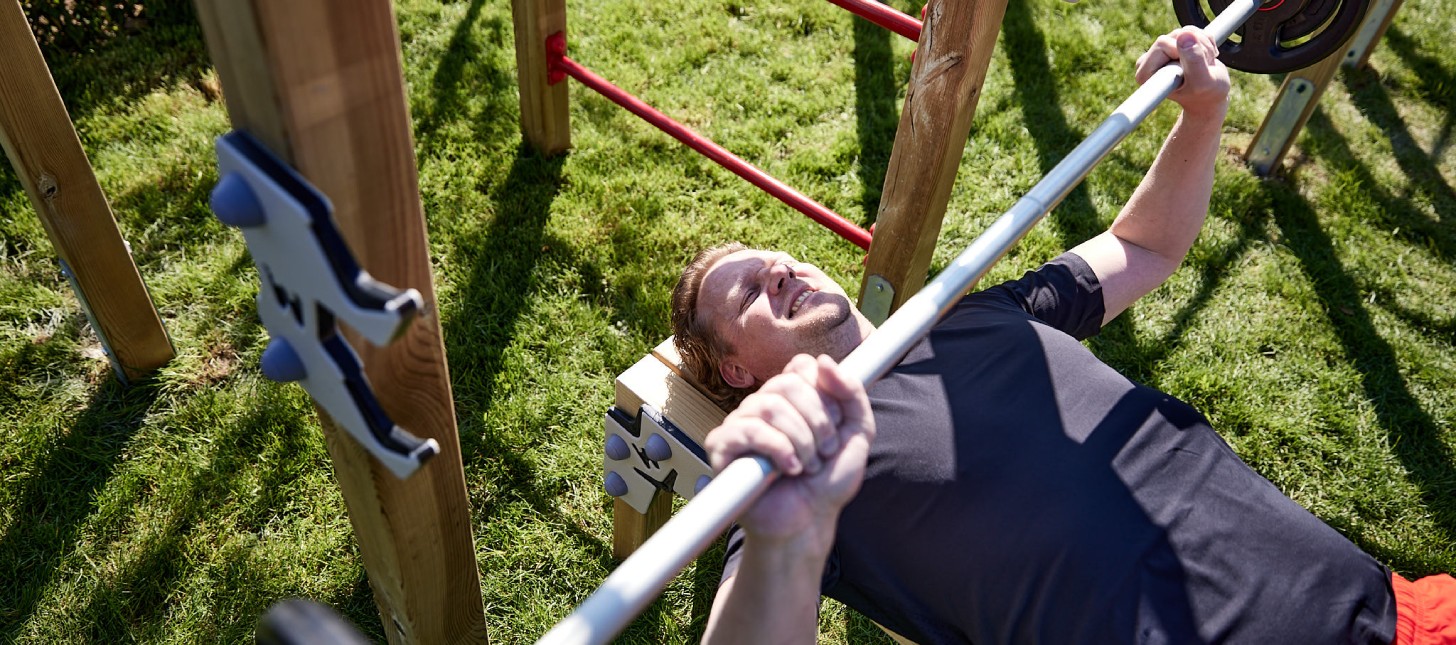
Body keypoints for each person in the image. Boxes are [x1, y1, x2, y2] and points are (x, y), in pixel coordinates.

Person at [677, 28, 1456, 645]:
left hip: (1393, 609)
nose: (778, 271)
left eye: (775, 259)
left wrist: (1203, 115)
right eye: (747, 292)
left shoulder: (970, 316)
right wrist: (779, 539)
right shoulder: (799, 483)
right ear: (736, 370)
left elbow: (1142, 247)